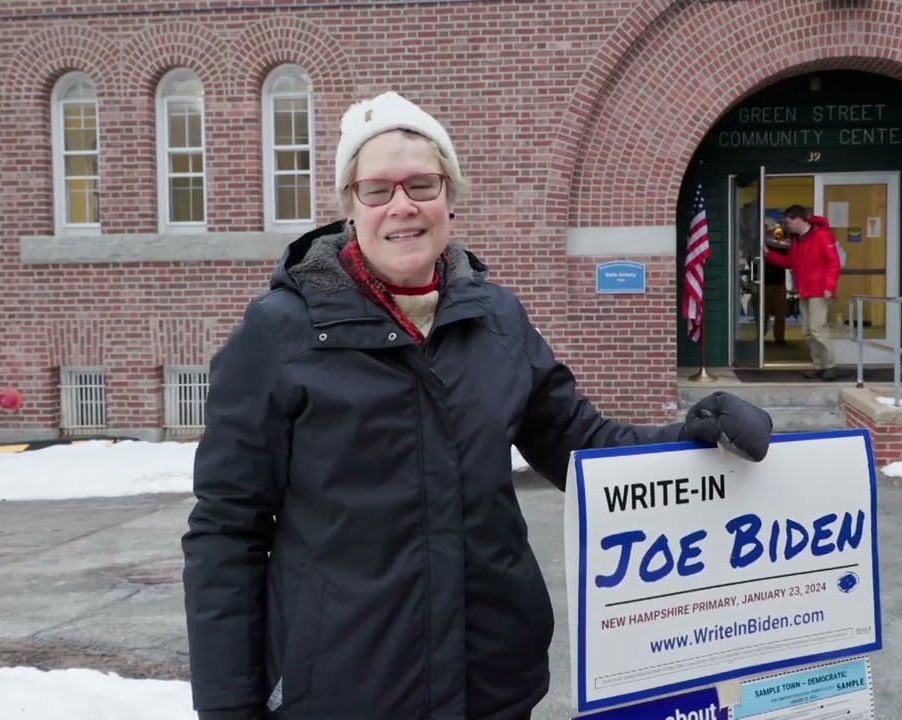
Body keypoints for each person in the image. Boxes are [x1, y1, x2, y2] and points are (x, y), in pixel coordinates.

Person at [181, 90, 774, 720]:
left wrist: (694, 436)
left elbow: (583, 445)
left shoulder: (496, 320)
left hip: (490, 683)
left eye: (422, 184)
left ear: (450, 198)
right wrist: (229, 708)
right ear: (349, 207)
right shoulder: (279, 336)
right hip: (346, 691)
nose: (401, 206)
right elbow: (227, 532)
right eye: (376, 189)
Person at [764, 205, 840, 380]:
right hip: (805, 290)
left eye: (789, 222)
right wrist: (769, 255)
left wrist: (829, 287)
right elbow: (790, 262)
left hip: (819, 290)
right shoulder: (797, 240)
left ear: (798, 220)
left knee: (817, 328)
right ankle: (819, 366)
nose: (786, 225)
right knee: (807, 330)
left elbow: (833, 263)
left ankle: (830, 366)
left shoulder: (821, 236)